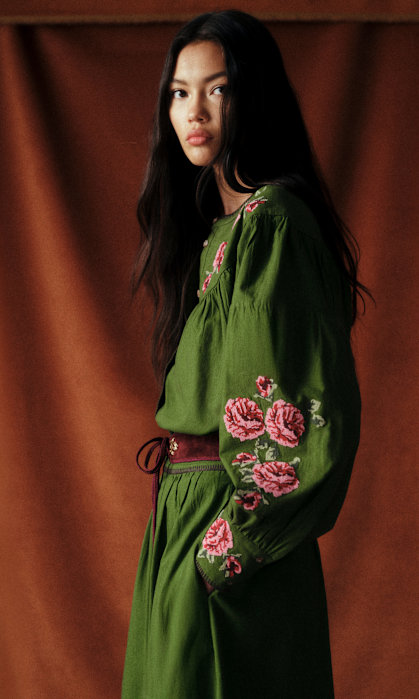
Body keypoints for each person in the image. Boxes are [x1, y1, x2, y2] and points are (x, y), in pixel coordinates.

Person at [122, 10, 366, 699]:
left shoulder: (270, 225)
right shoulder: (220, 233)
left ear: (252, 96)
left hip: (225, 541)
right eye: (179, 91)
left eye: (217, 89)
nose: (193, 111)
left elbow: (294, 419)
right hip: (181, 522)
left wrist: (222, 555)